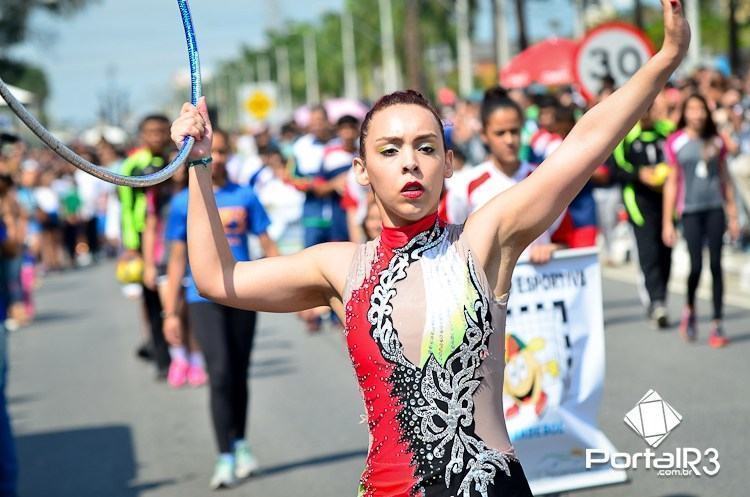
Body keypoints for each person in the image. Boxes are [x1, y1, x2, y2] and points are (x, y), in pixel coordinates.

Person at [171, 2, 688, 494]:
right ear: (362, 171)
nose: (410, 163)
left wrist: (665, 59)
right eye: (389, 150)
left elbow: (581, 143)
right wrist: (198, 166)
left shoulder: (483, 242)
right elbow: (219, 279)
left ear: (449, 162)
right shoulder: (340, 268)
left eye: (426, 147)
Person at [163, 128, 279, 489]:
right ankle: (224, 456)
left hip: (244, 293)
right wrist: (169, 312)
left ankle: (241, 445)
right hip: (202, 298)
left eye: (226, 152)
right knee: (221, 372)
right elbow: (176, 259)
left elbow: (266, 243)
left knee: (240, 372)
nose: (221, 158)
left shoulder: (245, 195)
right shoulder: (184, 202)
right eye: (219, 151)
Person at [447, 87, 565, 264]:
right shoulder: (466, 185)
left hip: (537, 285)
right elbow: (451, 241)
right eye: (500, 133)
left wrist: (553, 248)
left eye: (514, 131)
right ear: (484, 135)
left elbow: (566, 237)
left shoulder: (544, 180)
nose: (509, 140)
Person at [663, 93, 740, 347]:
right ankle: (690, 309)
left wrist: (733, 213)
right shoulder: (676, 142)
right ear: (684, 112)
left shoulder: (716, 140)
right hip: (690, 211)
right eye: (692, 109)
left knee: (716, 265)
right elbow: (672, 182)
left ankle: (717, 323)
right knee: (695, 266)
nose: (697, 114)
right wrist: (668, 221)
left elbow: (725, 177)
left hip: (715, 208)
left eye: (701, 109)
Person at [119, 115, 174, 378]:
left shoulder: (177, 157)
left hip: (175, 234)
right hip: (146, 238)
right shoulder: (132, 165)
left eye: (161, 131)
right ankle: (162, 358)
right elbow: (126, 208)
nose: (156, 137)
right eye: (150, 132)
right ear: (142, 135)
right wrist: (131, 244)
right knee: (152, 300)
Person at [612, 105, 675, 327]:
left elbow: (677, 160)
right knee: (648, 252)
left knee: (666, 252)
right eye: (643, 110)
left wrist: (665, 173)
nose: (646, 115)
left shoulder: (666, 132)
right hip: (639, 204)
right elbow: (617, 168)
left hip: (667, 202)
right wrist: (640, 174)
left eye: (650, 110)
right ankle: (656, 302)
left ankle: (662, 296)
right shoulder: (627, 137)